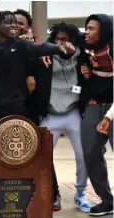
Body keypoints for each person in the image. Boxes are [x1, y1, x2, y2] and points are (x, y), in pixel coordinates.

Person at [36, 22, 90, 212]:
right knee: (40, 156)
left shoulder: (83, 57)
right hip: (51, 114)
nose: (61, 43)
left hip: (74, 113)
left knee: (83, 155)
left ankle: (81, 192)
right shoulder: (46, 55)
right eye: (57, 39)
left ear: (73, 40)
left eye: (65, 39)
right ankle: (51, 193)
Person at [80, 14, 113, 217]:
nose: (87, 32)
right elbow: (58, 38)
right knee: (90, 151)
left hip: (113, 108)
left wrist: (108, 117)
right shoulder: (87, 50)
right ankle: (107, 201)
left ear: (104, 31)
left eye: (92, 28)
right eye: (86, 27)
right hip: (94, 105)